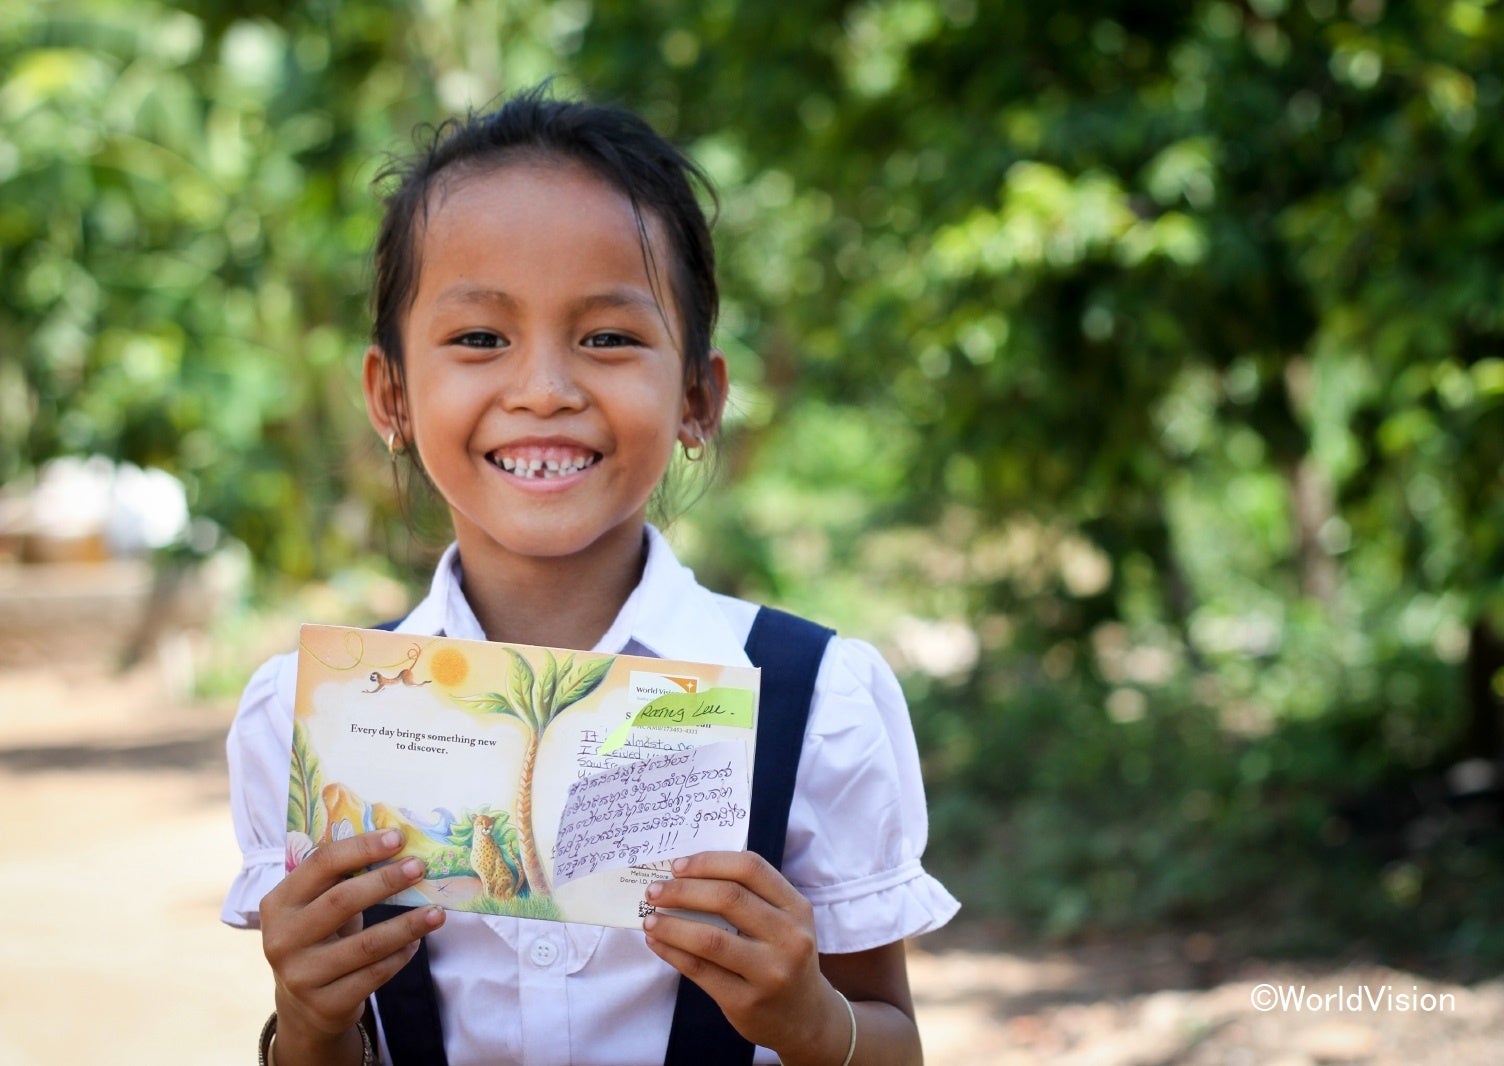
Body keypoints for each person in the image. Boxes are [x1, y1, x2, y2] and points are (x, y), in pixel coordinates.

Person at [222, 83, 958, 1066]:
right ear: (390, 395)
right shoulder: (307, 723)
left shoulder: (815, 702)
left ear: (697, 395)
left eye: (608, 336)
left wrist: (813, 1022)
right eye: (480, 338)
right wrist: (310, 1025)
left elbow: (893, 1039)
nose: (543, 390)